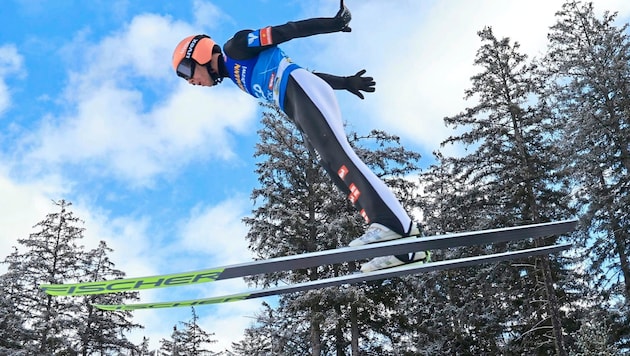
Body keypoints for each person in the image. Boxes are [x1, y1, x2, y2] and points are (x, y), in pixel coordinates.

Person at [171, 2, 429, 272]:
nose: (190, 81)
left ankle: (396, 226)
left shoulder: (234, 48)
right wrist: (345, 82)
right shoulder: (237, 78)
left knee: (341, 158)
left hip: (299, 90)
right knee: (335, 169)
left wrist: (333, 24)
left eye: (187, 71)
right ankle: (402, 250)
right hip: (297, 99)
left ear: (199, 54)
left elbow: (287, 31)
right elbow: (307, 73)